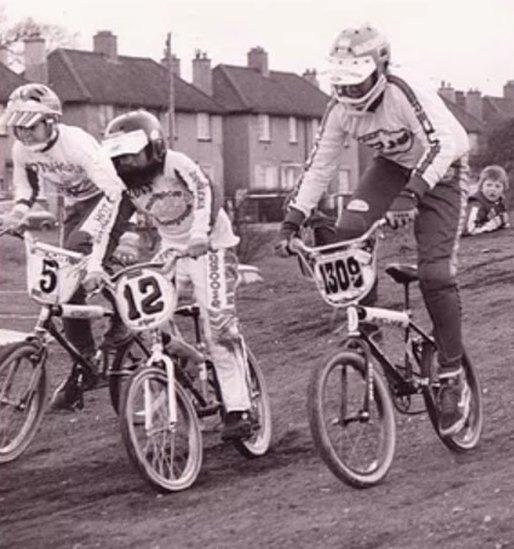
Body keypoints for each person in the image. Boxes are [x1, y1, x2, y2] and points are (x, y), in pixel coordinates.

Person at [273, 24, 473, 436]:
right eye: (341, 84)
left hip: (443, 173)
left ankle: (451, 376)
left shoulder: (404, 88)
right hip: (392, 170)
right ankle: (367, 330)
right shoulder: (340, 108)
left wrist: (411, 195)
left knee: (436, 274)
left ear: (380, 67)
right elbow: (320, 165)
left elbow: (443, 146)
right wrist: (293, 219)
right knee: (347, 236)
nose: (349, 94)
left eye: (357, 82)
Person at [101, 110, 255, 440]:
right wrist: (94, 263)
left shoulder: (176, 163)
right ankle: (184, 360)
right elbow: (111, 224)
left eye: (132, 154)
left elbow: (205, 191)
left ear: (153, 147)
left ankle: (239, 407)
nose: (126, 163)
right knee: (147, 319)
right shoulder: (127, 186)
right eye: (119, 157)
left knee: (218, 326)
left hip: (211, 245)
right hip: (172, 249)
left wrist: (201, 233)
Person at [0, 83, 134, 411]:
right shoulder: (22, 149)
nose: (23, 134)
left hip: (110, 198)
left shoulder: (77, 145)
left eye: (30, 125)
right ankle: (86, 365)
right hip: (76, 206)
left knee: (80, 253)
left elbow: (115, 191)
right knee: (64, 286)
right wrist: (18, 212)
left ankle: (124, 314)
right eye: (16, 126)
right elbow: (26, 186)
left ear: (51, 121)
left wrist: (115, 238)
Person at [463, 165, 509, 236]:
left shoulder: (499, 203)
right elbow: (469, 229)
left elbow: (502, 218)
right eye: (489, 185)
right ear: (481, 187)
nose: (493, 189)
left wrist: (502, 220)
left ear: (503, 189)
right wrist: (492, 225)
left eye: (497, 186)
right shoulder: (476, 204)